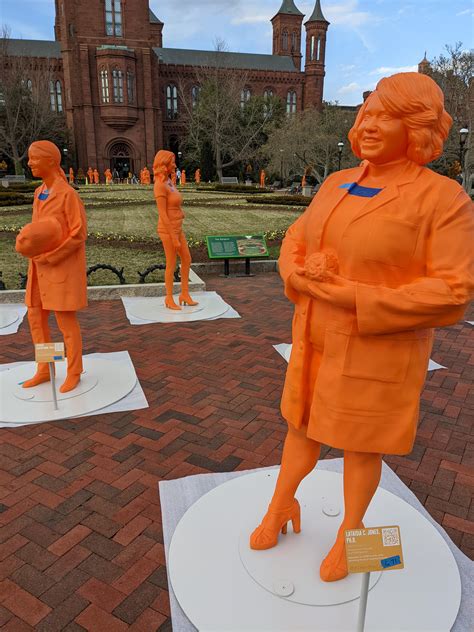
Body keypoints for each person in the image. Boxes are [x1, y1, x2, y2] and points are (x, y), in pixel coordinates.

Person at [250, 72, 474, 582]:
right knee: (300, 426)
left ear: (415, 129)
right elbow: (296, 237)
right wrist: (294, 271)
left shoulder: (443, 200)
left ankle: (351, 534)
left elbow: (454, 290)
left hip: (378, 348)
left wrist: (355, 297)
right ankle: (280, 505)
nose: (369, 124)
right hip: (313, 338)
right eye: (366, 113)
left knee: (359, 444)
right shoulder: (335, 182)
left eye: (385, 117)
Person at [16, 140, 88, 394]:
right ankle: (45, 368)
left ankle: (74, 371)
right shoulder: (39, 193)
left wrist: (52, 257)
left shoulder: (68, 195)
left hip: (59, 268)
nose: (30, 163)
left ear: (50, 161)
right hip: (37, 270)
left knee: (65, 322)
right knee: (36, 318)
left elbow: (79, 234)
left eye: (34, 158)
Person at [153, 150, 198, 310]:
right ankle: (169, 297)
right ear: (164, 164)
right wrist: (173, 237)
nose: (174, 164)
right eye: (172, 162)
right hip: (168, 230)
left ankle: (184, 294)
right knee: (171, 263)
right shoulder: (159, 186)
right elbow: (163, 215)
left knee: (187, 259)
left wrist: (180, 213)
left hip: (178, 227)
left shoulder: (169, 182)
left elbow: (174, 203)